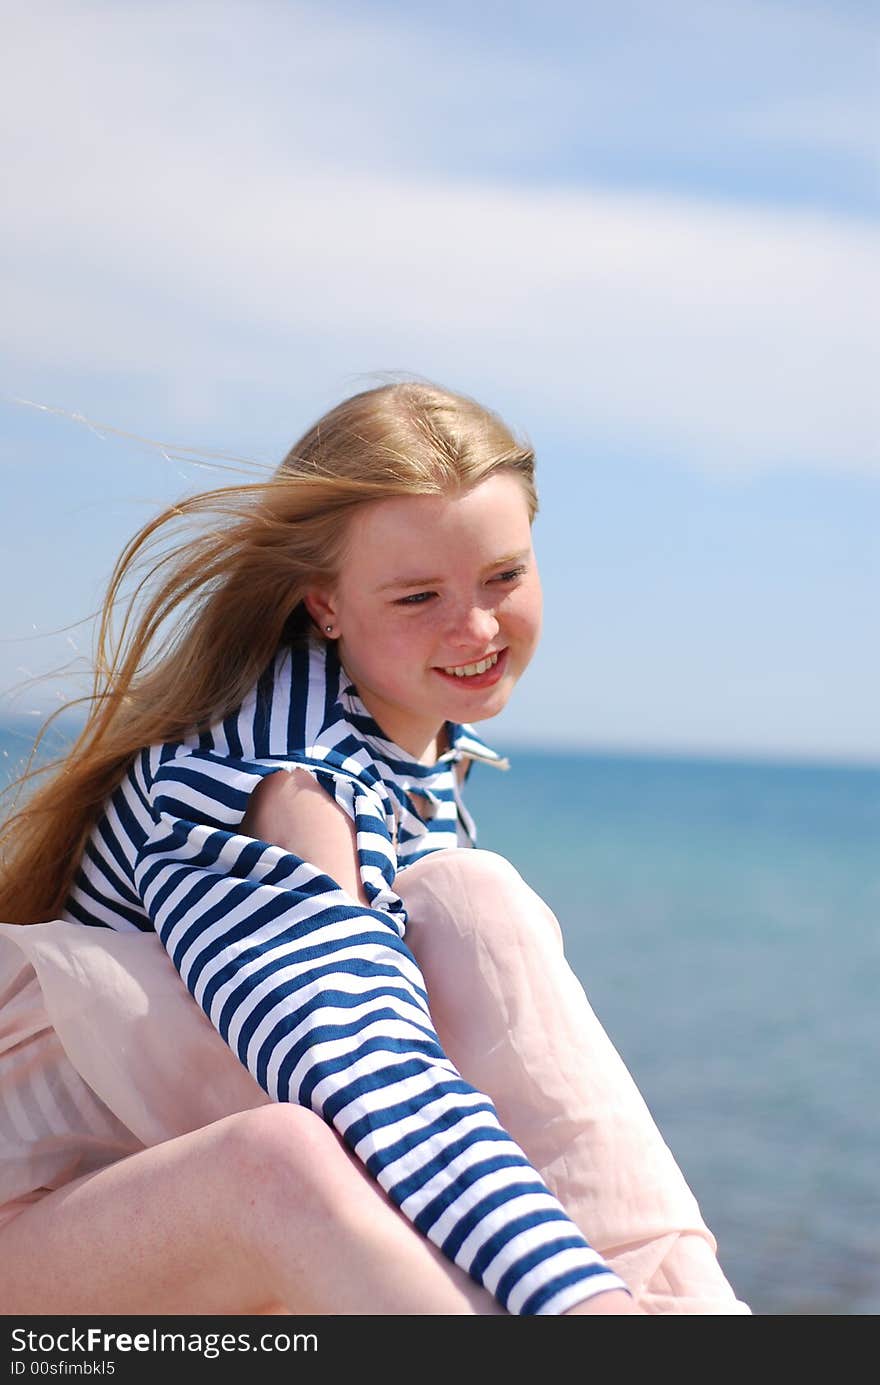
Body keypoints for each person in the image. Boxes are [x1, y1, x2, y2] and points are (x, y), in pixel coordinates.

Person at [0, 379, 749, 1315]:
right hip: (50, 1233)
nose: (476, 628)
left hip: (169, 1197)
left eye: (504, 576)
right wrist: (572, 1301)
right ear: (325, 604)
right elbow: (364, 1068)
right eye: (419, 595)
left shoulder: (411, 738)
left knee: (477, 902)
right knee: (285, 1164)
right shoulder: (283, 789)